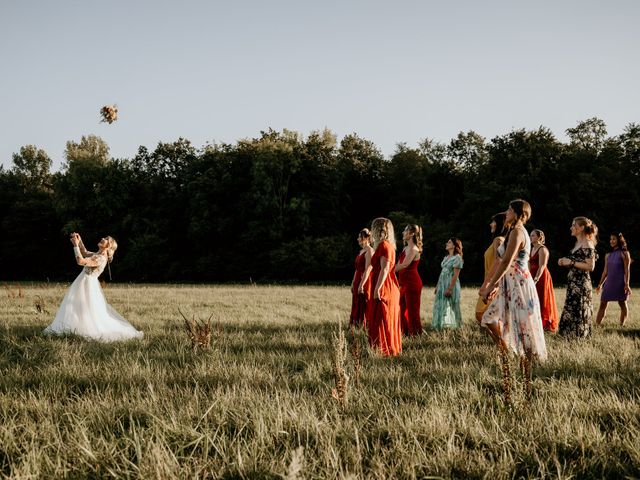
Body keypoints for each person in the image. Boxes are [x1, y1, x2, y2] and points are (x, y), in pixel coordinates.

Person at [479, 200, 547, 399]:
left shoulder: (518, 232)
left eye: (509, 209)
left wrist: (491, 285)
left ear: (519, 213)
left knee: (523, 334)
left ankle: (526, 386)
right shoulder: (511, 232)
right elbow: (502, 262)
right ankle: (507, 360)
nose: (506, 212)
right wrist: (494, 285)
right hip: (508, 285)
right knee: (488, 319)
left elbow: (508, 261)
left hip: (519, 286)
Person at [44, 233, 144, 342]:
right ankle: (74, 327)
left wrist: (75, 245)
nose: (102, 238)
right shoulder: (98, 254)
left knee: (84, 307)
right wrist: (80, 241)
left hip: (86, 285)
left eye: (106, 239)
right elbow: (85, 253)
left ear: (108, 246)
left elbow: (80, 261)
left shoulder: (101, 259)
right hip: (83, 283)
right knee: (76, 306)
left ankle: (83, 329)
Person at [557, 217, 598, 338]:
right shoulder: (578, 243)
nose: (571, 227)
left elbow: (590, 266)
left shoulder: (588, 244)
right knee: (572, 308)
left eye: (574, 225)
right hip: (573, 282)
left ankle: (578, 337)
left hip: (581, 283)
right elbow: (576, 262)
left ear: (581, 228)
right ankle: (568, 336)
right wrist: (564, 261)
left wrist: (571, 262)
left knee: (578, 309)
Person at [367, 218, 402, 356]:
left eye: (373, 228)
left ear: (378, 230)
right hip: (387, 284)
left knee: (381, 318)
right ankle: (384, 348)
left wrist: (377, 289)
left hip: (385, 285)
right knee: (383, 317)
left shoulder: (384, 246)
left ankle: (382, 350)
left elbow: (385, 269)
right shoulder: (389, 246)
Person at [475, 213, 507, 323]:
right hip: (491, 280)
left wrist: (487, 284)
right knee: (486, 315)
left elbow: (499, 261)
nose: (490, 224)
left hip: (493, 282)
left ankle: (501, 340)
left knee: (481, 314)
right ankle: (497, 339)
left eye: (493, 222)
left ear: (499, 224)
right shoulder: (499, 240)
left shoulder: (498, 240)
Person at [595, 232, 632, 326]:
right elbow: (605, 271)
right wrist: (600, 284)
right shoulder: (608, 255)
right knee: (603, 303)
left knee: (622, 303)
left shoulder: (625, 253)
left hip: (620, 283)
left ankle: (621, 325)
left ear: (619, 240)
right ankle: (597, 325)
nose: (611, 241)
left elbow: (627, 270)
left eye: (614, 239)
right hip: (609, 283)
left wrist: (627, 284)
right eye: (610, 239)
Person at [395, 224, 423, 335]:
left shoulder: (414, 249)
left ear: (411, 233)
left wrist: (388, 271)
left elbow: (404, 264)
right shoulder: (405, 248)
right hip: (403, 283)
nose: (402, 233)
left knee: (412, 310)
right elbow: (398, 264)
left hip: (412, 283)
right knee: (401, 309)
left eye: (405, 231)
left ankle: (415, 334)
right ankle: (405, 332)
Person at [529, 229, 559, 332]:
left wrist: (536, 279)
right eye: (530, 235)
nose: (530, 237)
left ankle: (545, 324)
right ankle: (533, 321)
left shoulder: (542, 249)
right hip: (531, 274)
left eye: (533, 235)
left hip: (541, 276)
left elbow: (542, 266)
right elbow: (529, 265)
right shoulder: (531, 249)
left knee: (542, 297)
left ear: (539, 238)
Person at [432, 237, 463, 330]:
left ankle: (459, 326)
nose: (446, 243)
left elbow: (455, 275)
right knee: (440, 304)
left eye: (449, 242)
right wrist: (437, 286)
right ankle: (439, 325)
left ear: (454, 245)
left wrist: (450, 288)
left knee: (454, 305)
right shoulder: (446, 258)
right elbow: (442, 273)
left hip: (451, 284)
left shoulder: (457, 258)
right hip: (442, 283)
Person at [350, 228, 374, 327]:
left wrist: (362, 284)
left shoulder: (369, 251)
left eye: (359, 237)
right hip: (357, 279)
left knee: (364, 303)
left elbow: (368, 268)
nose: (358, 239)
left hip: (365, 280)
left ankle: (364, 326)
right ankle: (355, 325)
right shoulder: (361, 251)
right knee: (356, 302)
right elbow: (357, 269)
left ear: (365, 238)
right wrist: (353, 282)